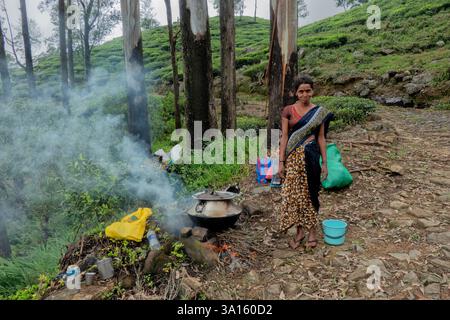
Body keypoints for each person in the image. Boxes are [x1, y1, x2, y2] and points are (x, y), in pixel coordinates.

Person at [277, 75, 334, 250]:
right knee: (293, 195)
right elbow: (285, 136)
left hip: (311, 157)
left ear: (312, 91)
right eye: (301, 91)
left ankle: (312, 232)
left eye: (308, 90)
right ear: (295, 93)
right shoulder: (288, 110)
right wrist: (281, 161)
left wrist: (325, 162)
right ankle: (299, 231)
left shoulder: (319, 112)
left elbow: (321, 138)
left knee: (311, 194)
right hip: (293, 159)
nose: (304, 94)